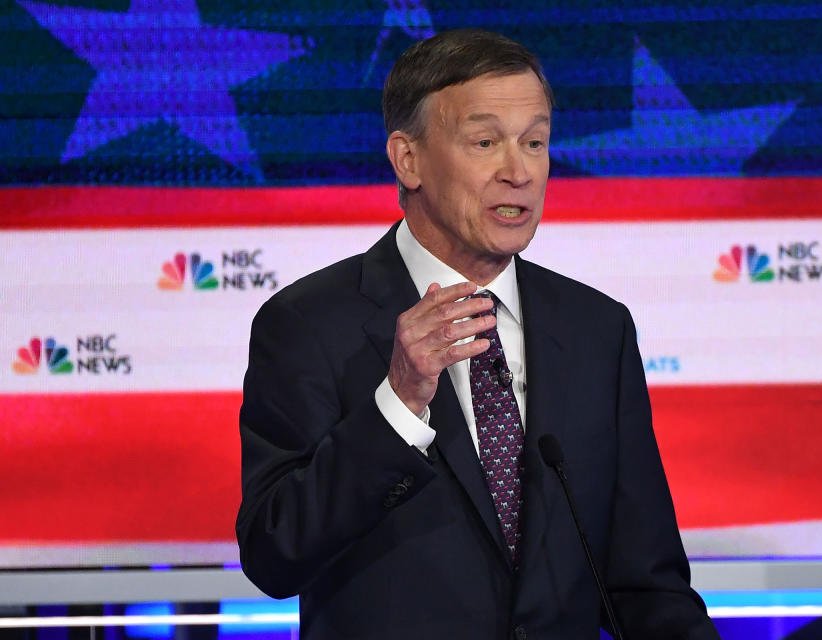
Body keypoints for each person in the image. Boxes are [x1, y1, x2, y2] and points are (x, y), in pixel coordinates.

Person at [236, 29, 720, 640]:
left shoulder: (597, 329)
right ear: (408, 159)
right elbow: (275, 554)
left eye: (535, 142)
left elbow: (646, 584)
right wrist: (398, 404)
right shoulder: (309, 324)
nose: (518, 172)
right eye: (485, 142)